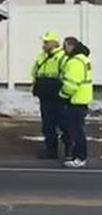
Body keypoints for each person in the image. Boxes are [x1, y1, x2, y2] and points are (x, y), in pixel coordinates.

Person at [31, 31, 68, 159]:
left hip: (58, 96)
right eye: (44, 42)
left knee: (62, 123)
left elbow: (66, 75)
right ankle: (51, 151)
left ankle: (70, 148)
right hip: (45, 96)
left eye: (46, 42)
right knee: (48, 125)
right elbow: (35, 72)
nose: (44, 44)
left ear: (54, 43)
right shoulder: (42, 56)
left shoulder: (62, 56)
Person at [58, 36, 93, 169]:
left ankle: (80, 157)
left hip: (75, 101)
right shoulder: (83, 59)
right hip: (82, 100)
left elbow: (71, 84)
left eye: (65, 45)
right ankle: (77, 156)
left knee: (76, 131)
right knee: (77, 129)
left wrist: (62, 95)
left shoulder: (74, 62)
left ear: (71, 46)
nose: (63, 48)